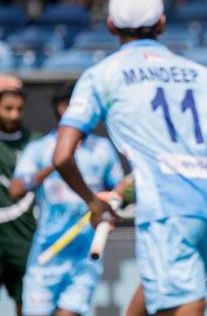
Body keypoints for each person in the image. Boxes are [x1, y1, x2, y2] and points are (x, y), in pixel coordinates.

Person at [51, 0, 207, 316]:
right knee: (158, 292)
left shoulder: (102, 75)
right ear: (162, 24)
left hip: (168, 211)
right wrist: (194, 159)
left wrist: (94, 203)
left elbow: (61, 156)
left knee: (181, 299)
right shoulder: (199, 72)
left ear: (109, 26)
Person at [10, 82, 130, 316]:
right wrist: (60, 160)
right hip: (47, 253)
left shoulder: (102, 149)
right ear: (64, 108)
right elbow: (16, 190)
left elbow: (118, 194)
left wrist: (114, 204)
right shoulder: (39, 148)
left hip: (85, 257)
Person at [0, 75, 40, 316]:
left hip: (23, 238)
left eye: (19, 109)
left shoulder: (35, 143)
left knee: (27, 305)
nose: (14, 115)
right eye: (7, 108)